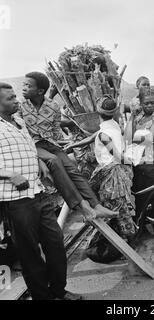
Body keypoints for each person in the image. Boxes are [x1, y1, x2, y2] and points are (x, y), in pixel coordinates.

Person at [0, 82, 81, 300]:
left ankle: (58, 291)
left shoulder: (17, 121)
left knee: (55, 245)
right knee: (30, 255)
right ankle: (42, 297)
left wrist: (40, 161)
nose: (17, 100)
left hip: (38, 192)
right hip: (16, 201)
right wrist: (9, 175)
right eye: (10, 99)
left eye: (15, 96)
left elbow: (28, 148)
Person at [19, 71, 116, 220]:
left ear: (40, 91)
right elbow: (21, 132)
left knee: (72, 169)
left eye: (28, 85)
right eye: (24, 84)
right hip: (33, 144)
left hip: (50, 143)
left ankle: (97, 206)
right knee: (54, 161)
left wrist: (67, 143)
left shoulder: (53, 106)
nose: (23, 87)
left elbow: (55, 130)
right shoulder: (20, 107)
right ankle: (81, 204)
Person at [125, 88, 154, 247]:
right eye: (146, 103)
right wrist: (131, 115)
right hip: (139, 163)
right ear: (141, 104)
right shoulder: (137, 117)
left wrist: (133, 147)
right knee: (140, 198)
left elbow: (150, 137)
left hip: (153, 163)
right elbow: (128, 137)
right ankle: (140, 227)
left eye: (152, 102)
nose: (150, 105)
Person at [88, 95, 137, 240]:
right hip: (120, 172)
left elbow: (117, 156)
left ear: (98, 113)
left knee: (115, 208)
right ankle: (124, 238)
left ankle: (122, 241)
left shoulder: (104, 134)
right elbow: (94, 137)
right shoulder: (114, 125)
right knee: (121, 206)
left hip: (112, 173)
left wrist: (130, 161)